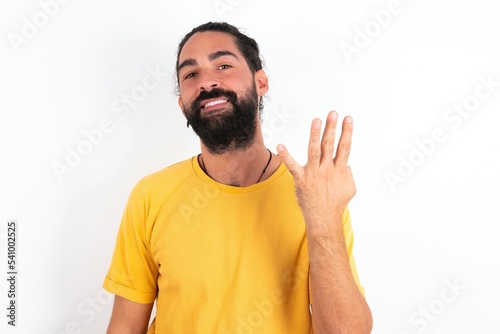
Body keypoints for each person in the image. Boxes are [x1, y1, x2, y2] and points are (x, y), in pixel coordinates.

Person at [103, 22, 372, 334]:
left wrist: (323, 217)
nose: (206, 81)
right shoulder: (151, 195)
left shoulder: (314, 196)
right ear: (182, 105)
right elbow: (124, 326)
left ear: (261, 83)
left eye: (224, 65)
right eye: (190, 74)